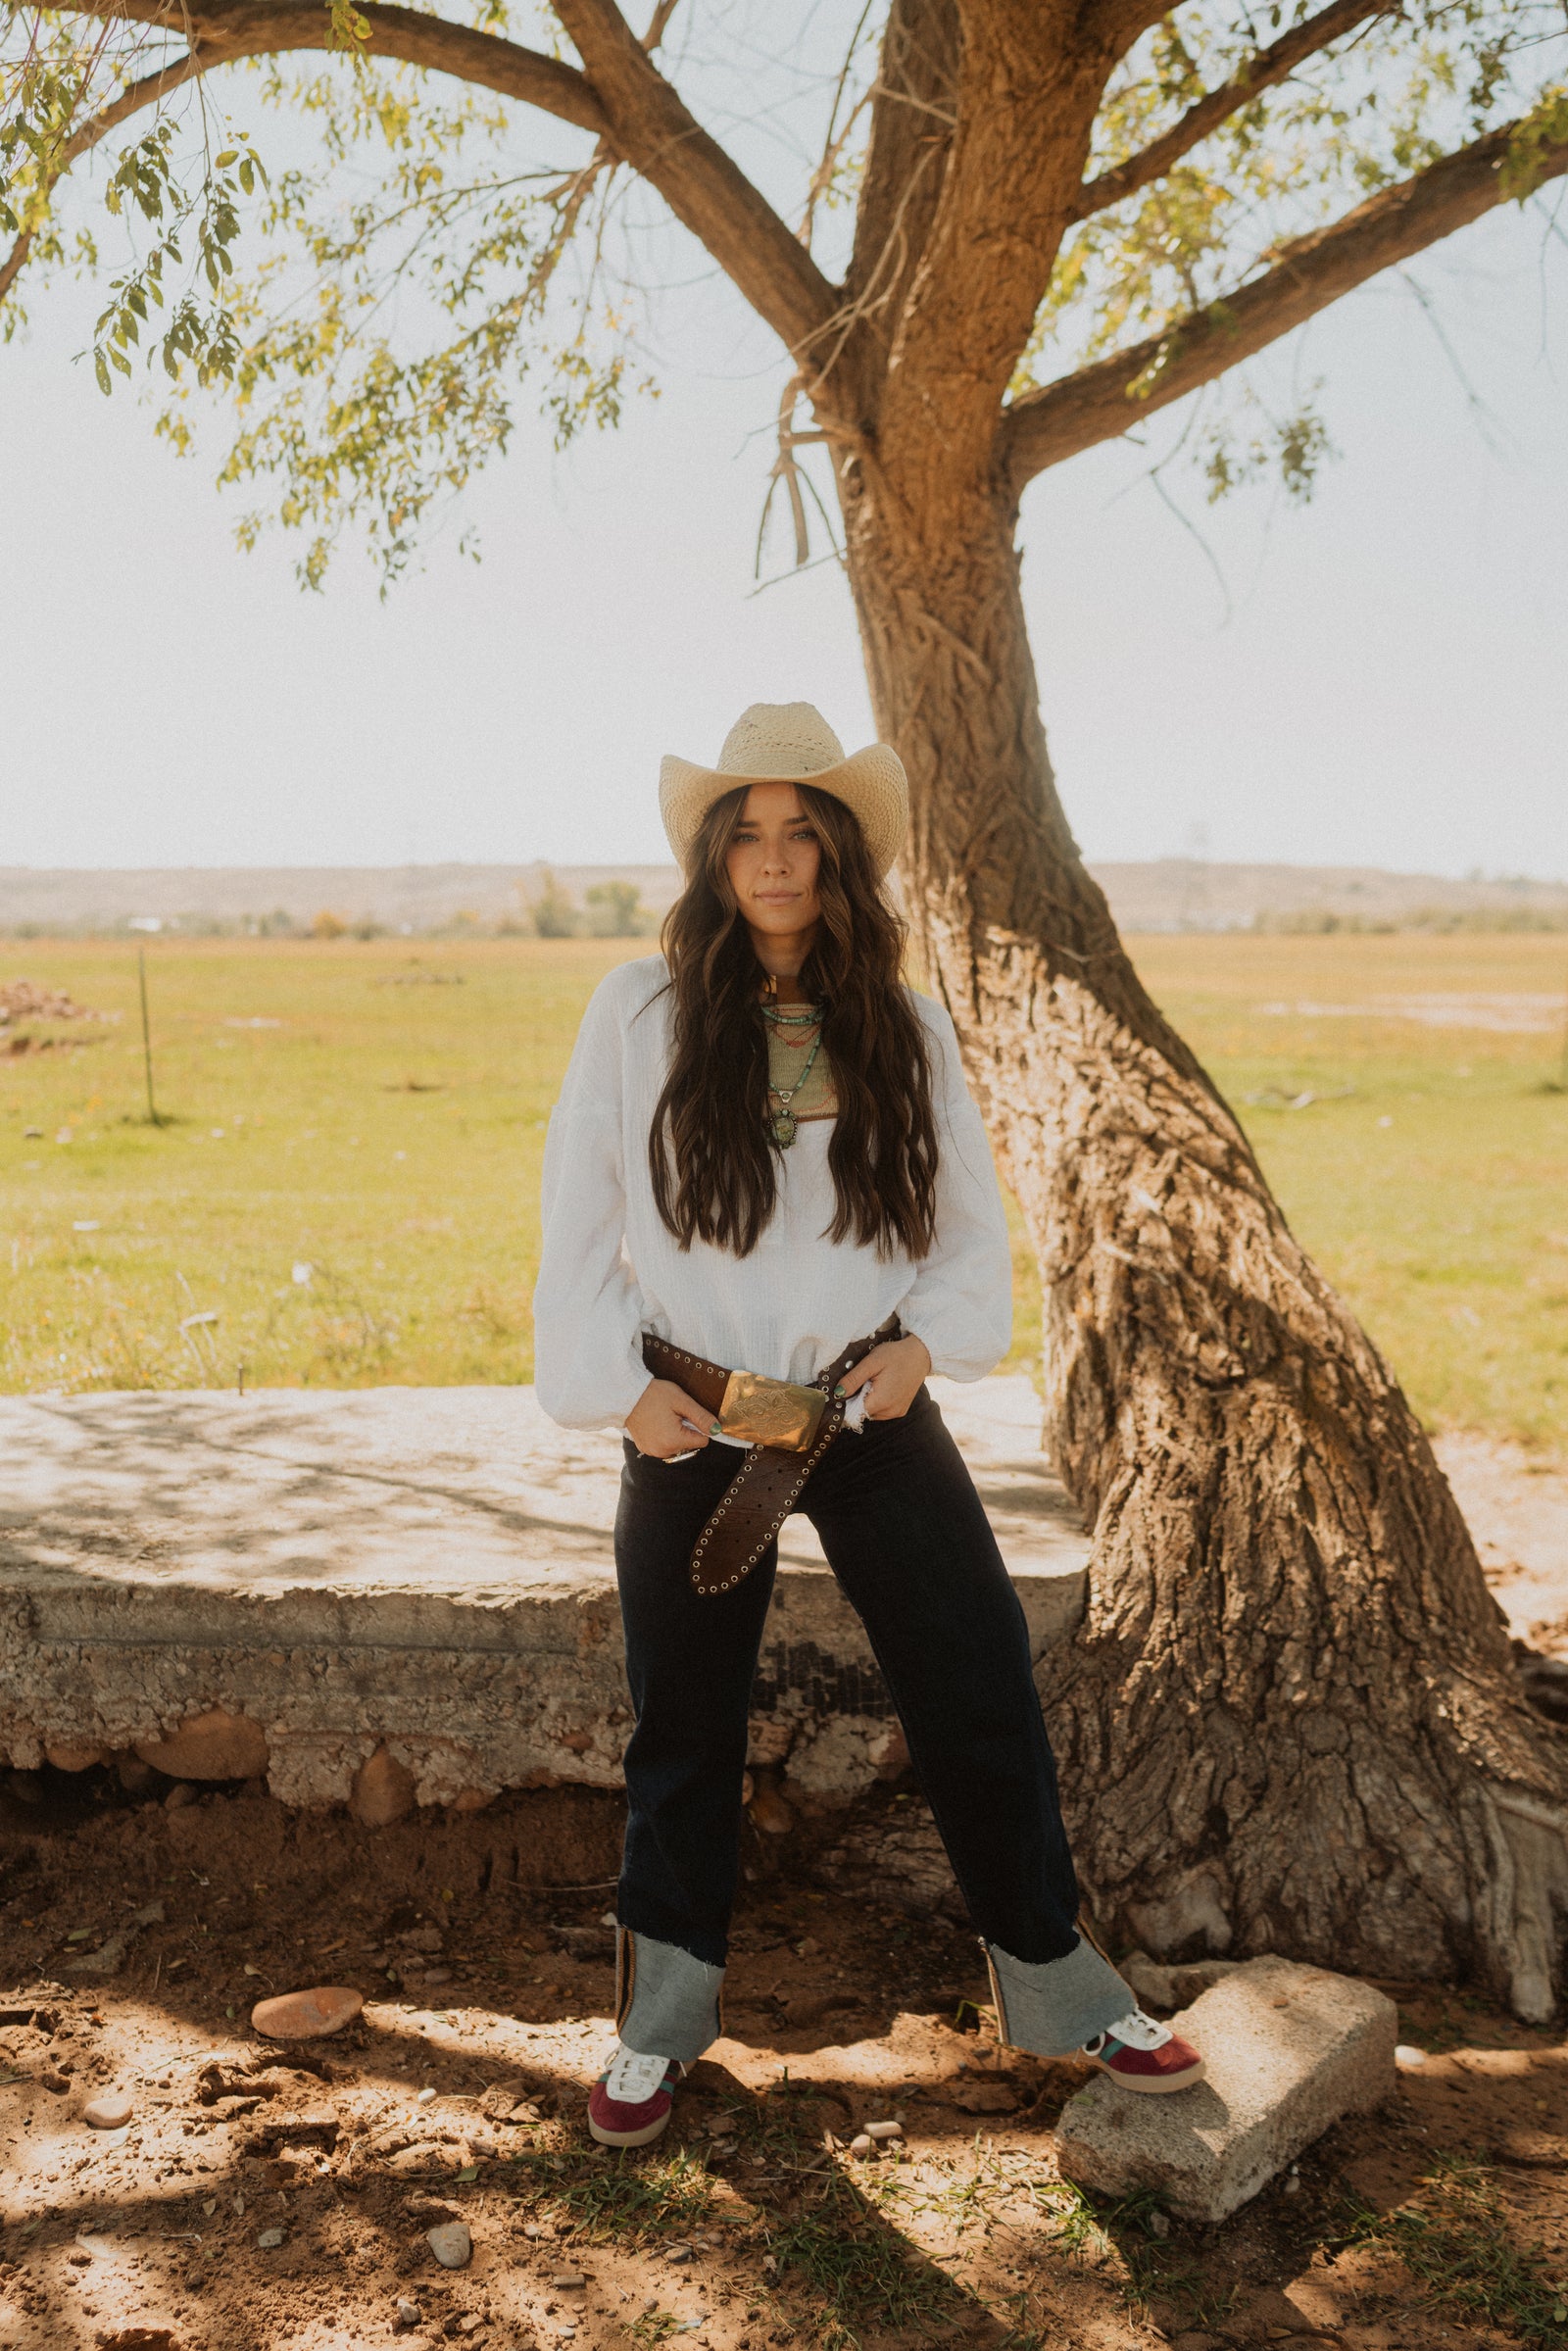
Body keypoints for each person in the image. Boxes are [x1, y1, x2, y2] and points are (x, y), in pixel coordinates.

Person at [533, 703, 1203, 2150]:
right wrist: (612, 1384)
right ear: (715, 862)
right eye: (747, 836)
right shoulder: (632, 1014)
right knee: (683, 1728)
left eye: (801, 835)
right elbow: (577, 1224)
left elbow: (968, 1236)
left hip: (867, 1412)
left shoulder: (900, 1023)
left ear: (840, 857)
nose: (775, 862)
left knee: (978, 1692)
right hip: (694, 1421)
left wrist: (924, 1347)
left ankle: (1068, 1989)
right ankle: (656, 2030)